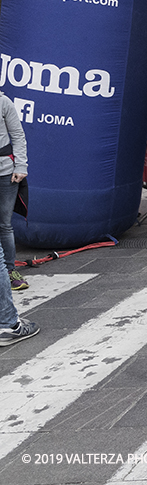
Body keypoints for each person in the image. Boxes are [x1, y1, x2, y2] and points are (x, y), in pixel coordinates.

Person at [0, 90, 35, 345]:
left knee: (4, 226)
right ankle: (8, 324)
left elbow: (18, 135)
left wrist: (20, 166)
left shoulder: (4, 102)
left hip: (5, 174)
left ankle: (12, 272)